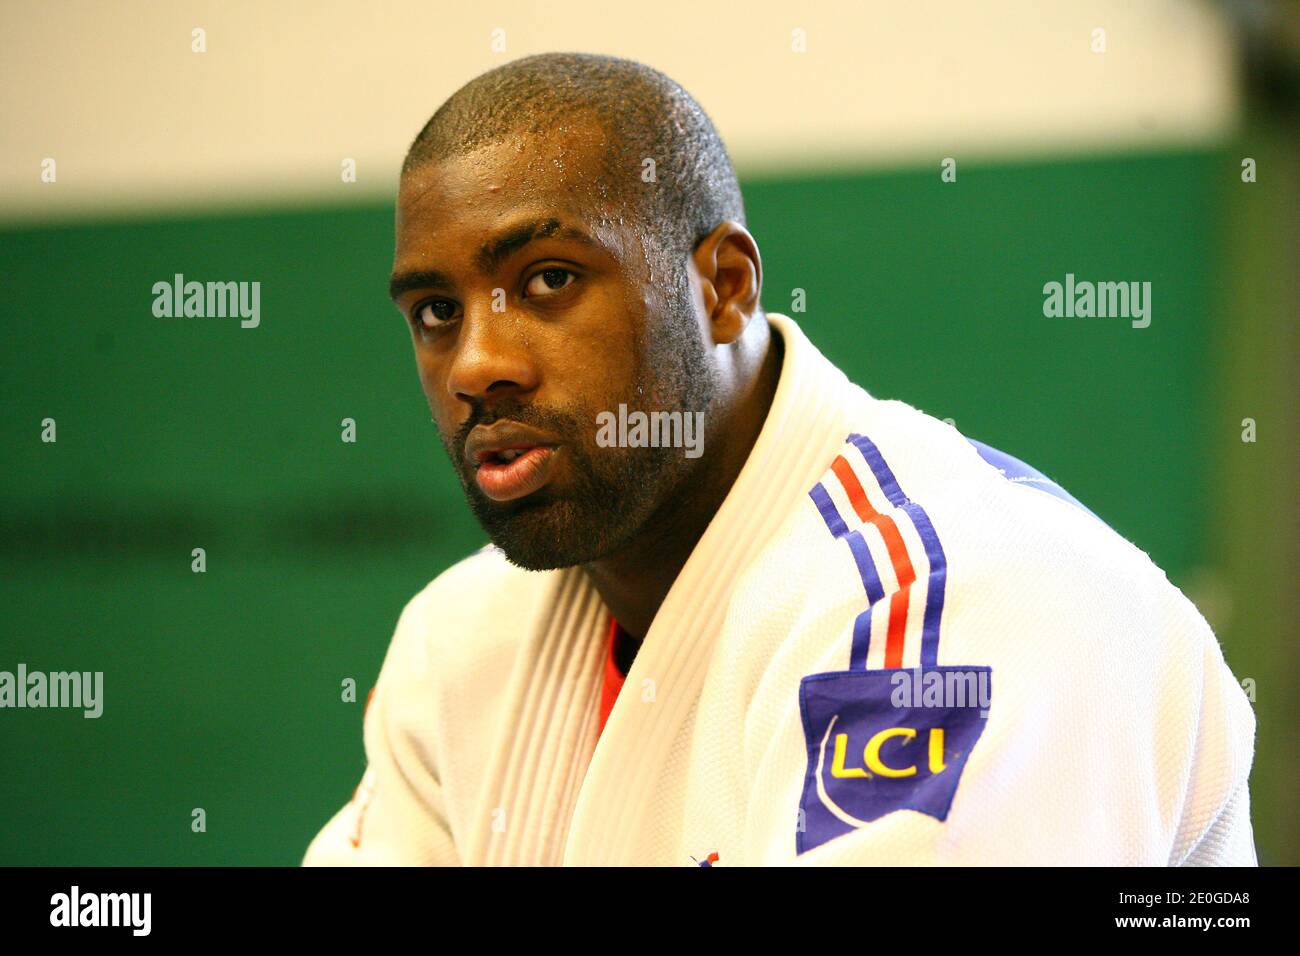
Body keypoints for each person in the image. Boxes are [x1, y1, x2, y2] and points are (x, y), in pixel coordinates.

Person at [303, 52, 1256, 865]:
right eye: (436, 313)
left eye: (549, 280)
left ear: (723, 287)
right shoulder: (458, 644)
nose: (477, 365)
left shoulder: (955, 599)